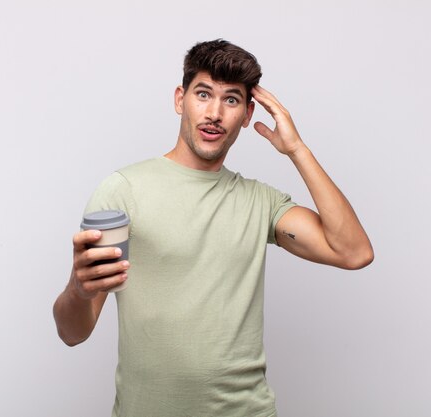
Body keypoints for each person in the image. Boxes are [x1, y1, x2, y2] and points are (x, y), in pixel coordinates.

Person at [53, 39, 373, 417]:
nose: (215, 113)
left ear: (247, 113)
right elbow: (73, 333)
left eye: (232, 100)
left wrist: (297, 149)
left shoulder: (261, 203)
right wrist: (78, 288)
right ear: (179, 99)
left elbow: (354, 252)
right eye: (203, 94)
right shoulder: (123, 191)